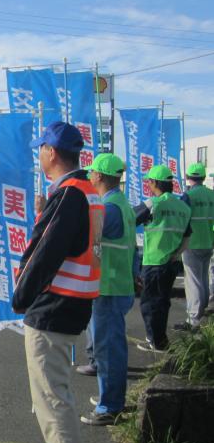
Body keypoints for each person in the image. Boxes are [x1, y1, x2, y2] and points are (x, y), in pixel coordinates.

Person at [12, 121, 103, 443]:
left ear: (51, 152)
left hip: (54, 304)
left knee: (52, 394)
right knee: (57, 389)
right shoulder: (87, 191)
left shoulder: (68, 194)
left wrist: (21, 296)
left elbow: (45, 254)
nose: (39, 155)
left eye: (41, 149)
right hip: (74, 302)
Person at [79, 154, 136, 426]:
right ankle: (110, 397)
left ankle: (110, 406)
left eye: (92, 173)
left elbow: (87, 237)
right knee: (111, 346)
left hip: (109, 286)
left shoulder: (109, 208)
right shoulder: (120, 203)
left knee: (108, 349)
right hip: (117, 282)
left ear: (99, 176)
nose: (89, 176)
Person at [134, 165, 191, 352]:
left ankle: (155, 341)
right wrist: (177, 254)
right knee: (163, 301)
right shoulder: (183, 206)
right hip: (172, 262)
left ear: (154, 183)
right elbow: (187, 236)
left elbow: (129, 219)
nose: (148, 184)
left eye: (149, 181)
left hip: (153, 262)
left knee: (150, 303)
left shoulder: (153, 204)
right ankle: (161, 340)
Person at [174, 163, 214, 330]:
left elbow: (182, 220)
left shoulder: (188, 196)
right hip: (208, 241)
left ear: (189, 177)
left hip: (192, 242)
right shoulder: (211, 194)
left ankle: (194, 319)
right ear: (203, 177)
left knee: (193, 282)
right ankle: (204, 312)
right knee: (204, 279)